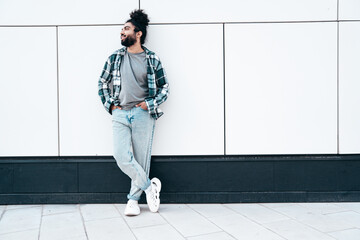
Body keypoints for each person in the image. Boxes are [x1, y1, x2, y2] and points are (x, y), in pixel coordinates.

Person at [98, 9, 169, 216]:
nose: (122, 32)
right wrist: (110, 105)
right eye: (122, 29)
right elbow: (103, 82)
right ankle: (150, 187)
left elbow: (165, 88)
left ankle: (133, 201)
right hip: (120, 113)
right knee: (121, 156)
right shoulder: (115, 58)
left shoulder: (152, 59)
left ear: (138, 34)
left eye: (126, 29)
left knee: (141, 158)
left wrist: (150, 104)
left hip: (143, 114)